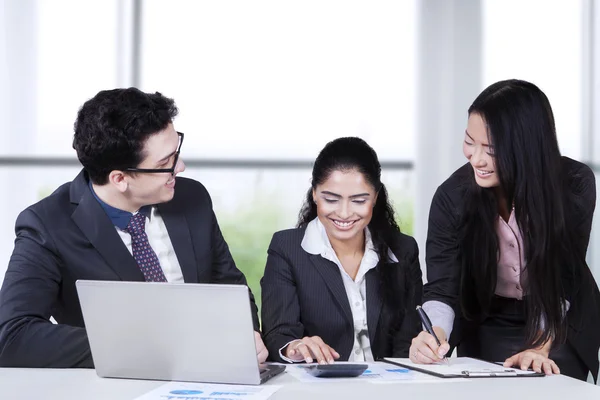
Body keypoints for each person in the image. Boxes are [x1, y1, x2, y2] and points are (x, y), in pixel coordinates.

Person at [0, 88, 268, 367]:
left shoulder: (192, 198)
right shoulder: (47, 225)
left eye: (176, 152)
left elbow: (228, 287)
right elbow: (12, 336)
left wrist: (246, 335)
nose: (181, 167)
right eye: (166, 163)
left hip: (209, 376)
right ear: (119, 179)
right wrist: (145, 347)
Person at [412, 79, 600, 382]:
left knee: (550, 381)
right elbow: (442, 287)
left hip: (557, 317)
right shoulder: (452, 197)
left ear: (527, 147)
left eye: (491, 148)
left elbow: (563, 276)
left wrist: (539, 347)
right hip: (488, 317)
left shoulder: (573, 184)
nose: (476, 158)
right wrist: (433, 335)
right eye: (469, 141)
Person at [260, 137, 422, 364]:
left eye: (358, 200)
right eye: (331, 199)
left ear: (375, 197)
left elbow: (409, 342)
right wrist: (295, 347)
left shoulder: (403, 250)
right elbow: (278, 333)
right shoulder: (286, 249)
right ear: (315, 192)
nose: (344, 213)